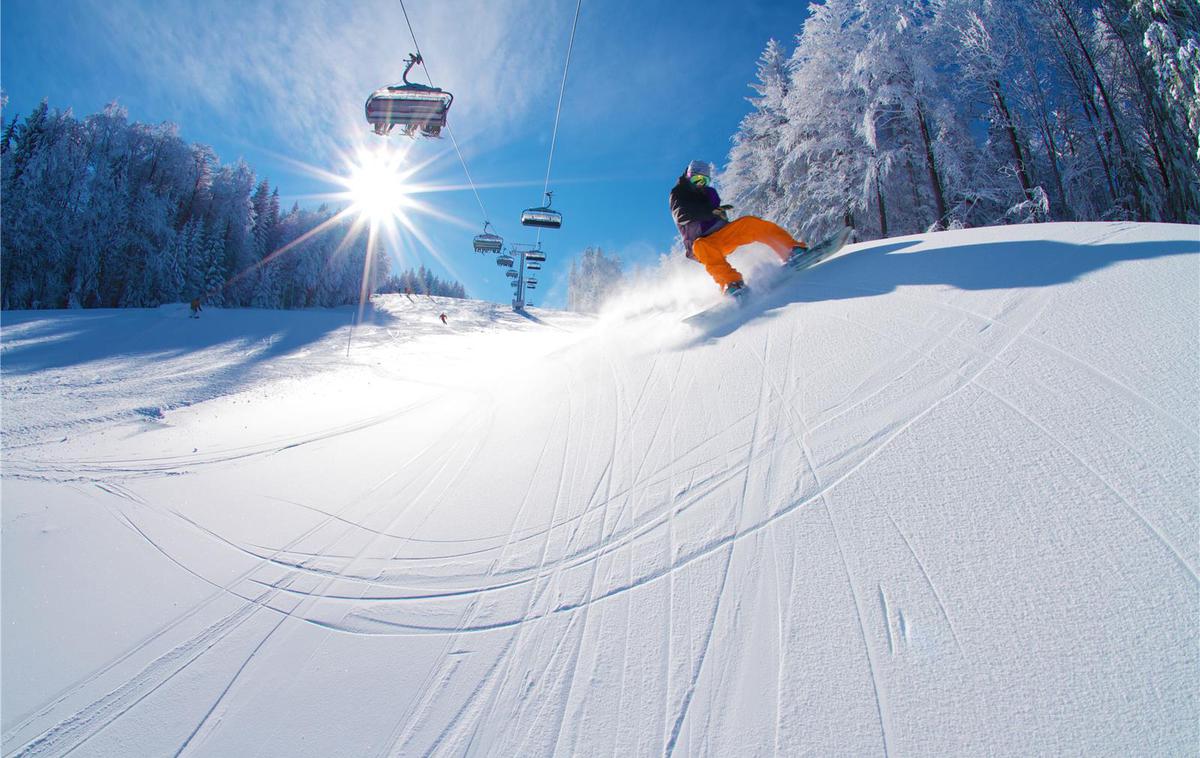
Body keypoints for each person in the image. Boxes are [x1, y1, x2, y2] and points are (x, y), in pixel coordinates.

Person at [669, 159, 808, 297]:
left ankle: (789, 250)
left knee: (749, 223)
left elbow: (713, 211)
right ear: (688, 176)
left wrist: (718, 212)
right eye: (696, 179)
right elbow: (682, 214)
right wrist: (709, 212)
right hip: (703, 244)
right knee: (700, 246)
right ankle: (731, 284)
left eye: (704, 180)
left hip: (722, 235)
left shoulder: (710, 193)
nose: (700, 184)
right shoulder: (678, 193)